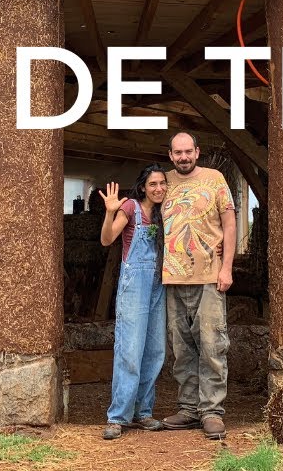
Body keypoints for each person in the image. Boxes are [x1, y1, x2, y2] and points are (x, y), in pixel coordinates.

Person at [158, 131, 236, 440]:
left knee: (212, 345)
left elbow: (229, 223)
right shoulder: (162, 183)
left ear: (197, 152)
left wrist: (227, 266)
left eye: (188, 151)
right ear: (170, 155)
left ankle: (212, 411)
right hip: (172, 277)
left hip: (209, 275)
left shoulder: (215, 179)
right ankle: (189, 409)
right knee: (182, 348)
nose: (184, 157)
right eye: (178, 152)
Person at [97, 165, 169, 440]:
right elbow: (107, 240)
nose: (159, 188)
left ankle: (144, 412)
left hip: (158, 285)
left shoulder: (165, 214)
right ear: (143, 187)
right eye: (153, 184)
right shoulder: (130, 208)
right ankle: (118, 417)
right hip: (133, 286)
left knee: (155, 350)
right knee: (129, 349)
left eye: (162, 183)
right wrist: (109, 212)